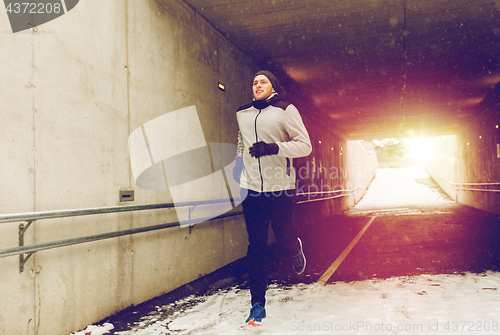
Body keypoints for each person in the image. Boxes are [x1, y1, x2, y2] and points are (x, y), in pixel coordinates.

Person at [233, 70, 312, 326]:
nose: (257, 85)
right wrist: (238, 166)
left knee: (284, 234)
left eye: (263, 81)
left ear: (273, 87)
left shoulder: (285, 110)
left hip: (281, 188)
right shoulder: (242, 113)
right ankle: (257, 304)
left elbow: (305, 145)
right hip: (252, 189)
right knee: (256, 245)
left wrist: (274, 148)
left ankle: (294, 247)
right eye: (254, 82)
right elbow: (242, 143)